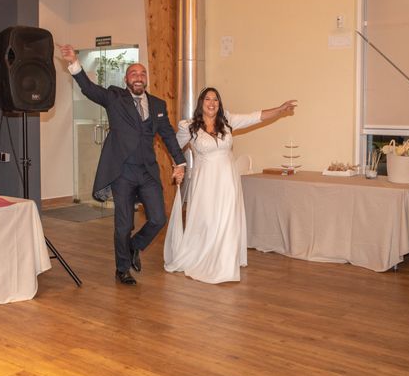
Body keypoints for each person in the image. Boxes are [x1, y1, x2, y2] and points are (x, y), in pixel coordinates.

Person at [58, 44, 185, 286]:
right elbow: (89, 89)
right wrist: (74, 64)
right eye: (134, 74)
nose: (139, 77)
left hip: (147, 171)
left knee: (158, 218)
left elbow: (168, 135)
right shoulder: (115, 97)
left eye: (143, 74)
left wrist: (180, 161)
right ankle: (122, 268)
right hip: (122, 172)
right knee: (124, 224)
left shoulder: (158, 105)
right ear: (127, 79)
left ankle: (135, 246)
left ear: (146, 79)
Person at [164, 87, 296, 284]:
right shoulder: (189, 127)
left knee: (226, 219)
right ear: (201, 103)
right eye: (208, 99)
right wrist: (179, 167)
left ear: (219, 104)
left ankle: (225, 262)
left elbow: (255, 117)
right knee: (208, 220)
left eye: (215, 100)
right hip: (205, 184)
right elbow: (175, 148)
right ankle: (204, 256)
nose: (212, 103)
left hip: (227, 181)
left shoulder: (227, 121)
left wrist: (279, 109)